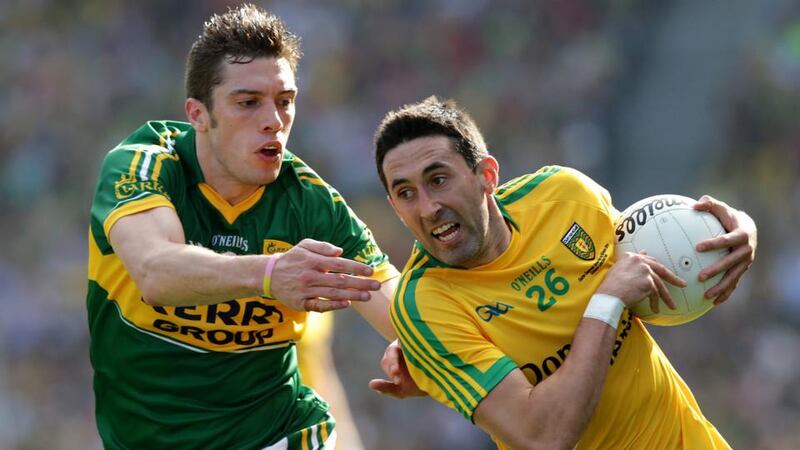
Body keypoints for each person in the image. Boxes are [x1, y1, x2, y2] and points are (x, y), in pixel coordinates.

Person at [86, 5, 399, 449]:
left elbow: (401, 312)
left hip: (279, 434)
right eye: (248, 103)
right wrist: (269, 276)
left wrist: (420, 349)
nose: (273, 119)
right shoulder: (143, 164)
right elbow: (156, 272)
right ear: (197, 114)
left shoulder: (311, 203)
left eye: (285, 101)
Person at [367, 96, 757, 449]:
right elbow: (543, 437)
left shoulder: (565, 196)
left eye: (438, 180)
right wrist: (606, 302)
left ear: (486, 175)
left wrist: (735, 230)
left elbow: (657, 246)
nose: (427, 207)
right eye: (406, 194)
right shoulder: (426, 307)